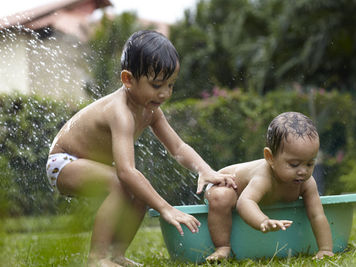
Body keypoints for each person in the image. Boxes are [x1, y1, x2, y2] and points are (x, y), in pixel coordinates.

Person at [46, 30, 236, 267]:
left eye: (170, 85)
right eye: (157, 85)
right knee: (121, 183)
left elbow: (177, 147)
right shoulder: (120, 112)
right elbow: (126, 172)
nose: (165, 93)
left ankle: (116, 254)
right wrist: (165, 208)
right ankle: (96, 258)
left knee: (139, 194)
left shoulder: (151, 110)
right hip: (63, 163)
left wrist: (205, 170)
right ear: (128, 79)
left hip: (91, 165)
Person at [205, 111, 334, 261]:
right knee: (223, 196)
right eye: (294, 164)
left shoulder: (307, 182)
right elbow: (245, 202)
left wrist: (325, 249)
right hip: (223, 184)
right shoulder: (263, 177)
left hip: (241, 193)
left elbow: (317, 215)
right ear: (270, 158)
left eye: (310, 163)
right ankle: (222, 248)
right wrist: (263, 221)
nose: (303, 171)